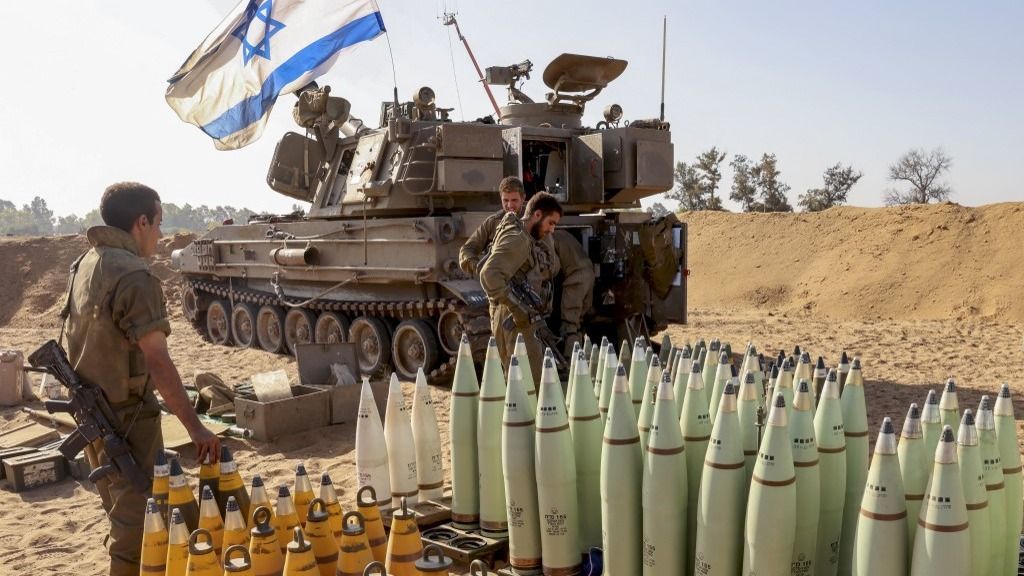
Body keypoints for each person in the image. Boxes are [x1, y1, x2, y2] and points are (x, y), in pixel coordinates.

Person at [64, 182, 221, 576]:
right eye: (158, 224)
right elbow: (159, 363)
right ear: (141, 221)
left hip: (93, 418)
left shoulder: (85, 263)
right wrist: (197, 428)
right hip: (127, 421)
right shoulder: (133, 275)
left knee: (123, 514)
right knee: (138, 529)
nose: (161, 235)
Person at [479, 192, 563, 382]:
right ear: (537, 215)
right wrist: (518, 309)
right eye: (551, 223)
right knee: (528, 382)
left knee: (524, 380)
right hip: (514, 318)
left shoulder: (526, 237)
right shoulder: (518, 239)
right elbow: (489, 275)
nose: (552, 229)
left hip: (518, 314)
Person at [458, 175, 526, 276]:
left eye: (514, 200)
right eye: (506, 200)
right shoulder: (493, 222)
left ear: (523, 198)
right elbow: (467, 250)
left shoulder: (533, 220)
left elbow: (552, 261)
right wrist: (479, 268)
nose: (510, 205)